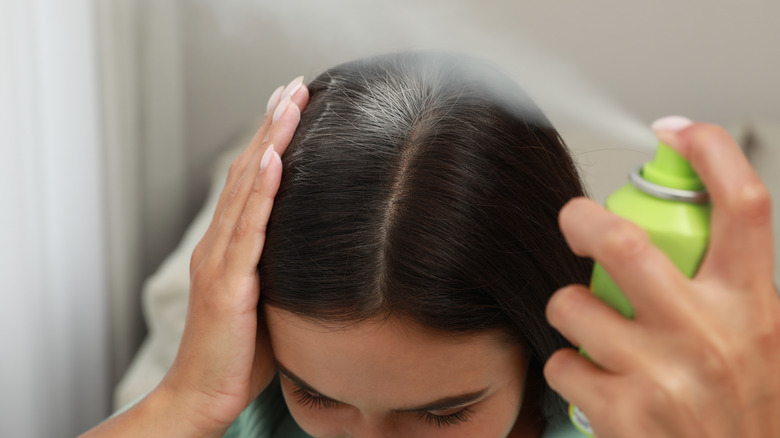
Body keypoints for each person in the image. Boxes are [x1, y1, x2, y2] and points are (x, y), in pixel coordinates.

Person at [81, 53, 780, 438]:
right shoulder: (241, 416)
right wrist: (184, 401)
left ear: (538, 354)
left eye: (442, 414)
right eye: (317, 396)